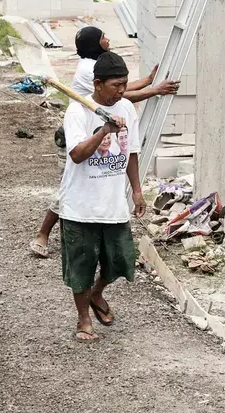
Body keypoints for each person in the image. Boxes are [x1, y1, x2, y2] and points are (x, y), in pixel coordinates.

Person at [29, 26, 179, 258]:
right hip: (79, 135)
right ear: (98, 83)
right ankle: (44, 234)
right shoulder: (88, 70)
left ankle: (91, 239)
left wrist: (148, 81)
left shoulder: (100, 67)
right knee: (69, 189)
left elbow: (120, 90)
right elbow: (124, 94)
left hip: (102, 136)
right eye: (102, 38)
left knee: (95, 184)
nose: (107, 40)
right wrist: (154, 90)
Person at [58, 51, 145, 341]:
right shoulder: (78, 111)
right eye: (116, 85)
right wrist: (104, 129)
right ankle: (83, 319)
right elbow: (77, 154)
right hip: (80, 206)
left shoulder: (127, 108)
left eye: (125, 84)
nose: (122, 90)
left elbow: (132, 152)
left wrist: (137, 191)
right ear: (97, 84)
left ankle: (97, 293)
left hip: (113, 205)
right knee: (80, 266)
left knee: (121, 260)